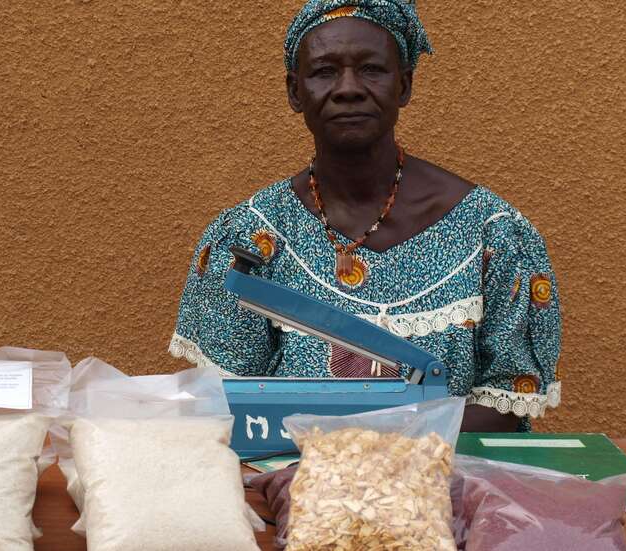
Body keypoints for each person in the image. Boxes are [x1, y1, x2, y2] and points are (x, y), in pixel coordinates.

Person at [169, 0, 562, 433]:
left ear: (405, 85)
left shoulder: (491, 234)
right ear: (295, 92)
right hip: (295, 489)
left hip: (442, 488)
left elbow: (508, 407)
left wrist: (371, 447)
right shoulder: (251, 238)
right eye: (324, 71)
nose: (349, 88)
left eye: (372, 69)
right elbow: (230, 409)